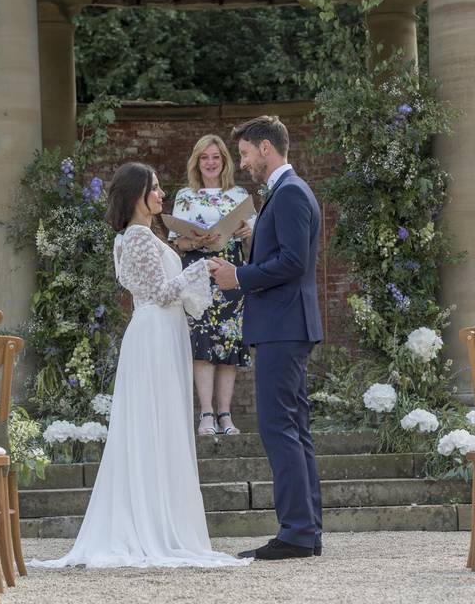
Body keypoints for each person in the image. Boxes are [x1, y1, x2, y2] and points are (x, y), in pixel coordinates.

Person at [29, 162, 251, 569]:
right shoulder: (135, 239)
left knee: (164, 424)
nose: (162, 194)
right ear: (137, 195)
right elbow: (160, 292)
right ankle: (149, 525)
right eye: (155, 188)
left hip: (165, 334)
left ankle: (165, 518)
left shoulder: (148, 237)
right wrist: (203, 266)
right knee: (153, 423)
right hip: (152, 336)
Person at [212, 115, 325, 561]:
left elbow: (294, 263)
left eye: (243, 154)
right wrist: (252, 240)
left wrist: (237, 275)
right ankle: (306, 529)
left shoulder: (291, 192)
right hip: (285, 325)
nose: (241, 164)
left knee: (279, 427)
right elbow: (282, 255)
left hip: (284, 326)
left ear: (265, 149)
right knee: (294, 428)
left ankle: (297, 532)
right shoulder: (285, 193)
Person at [170, 134, 254, 436]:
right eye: (204, 157)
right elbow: (177, 243)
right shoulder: (185, 196)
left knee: (229, 341)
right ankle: (206, 414)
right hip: (196, 273)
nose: (210, 162)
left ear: (224, 161)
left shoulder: (239, 195)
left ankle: (225, 415)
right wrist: (196, 240)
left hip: (230, 271)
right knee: (202, 342)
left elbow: (251, 243)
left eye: (216, 157)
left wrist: (246, 232)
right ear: (196, 161)